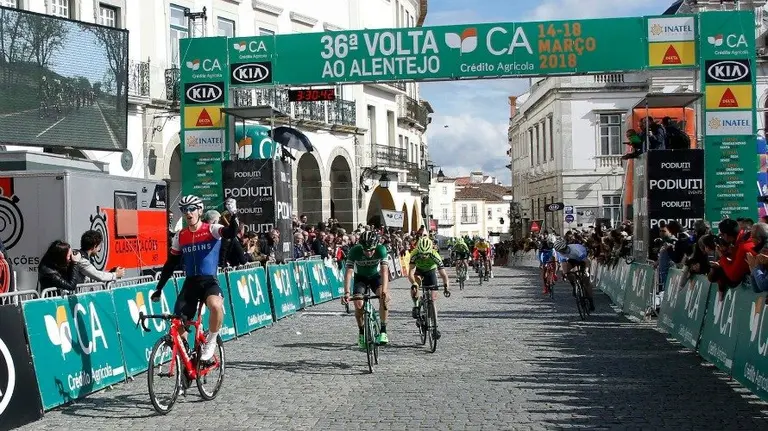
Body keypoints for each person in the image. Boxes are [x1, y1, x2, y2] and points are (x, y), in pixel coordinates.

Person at [150, 195, 239, 363]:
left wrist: (234, 215)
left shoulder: (211, 229)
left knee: (216, 305)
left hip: (209, 282)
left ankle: (211, 341)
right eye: (184, 210)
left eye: (191, 209)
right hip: (190, 284)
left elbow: (231, 233)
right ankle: (186, 369)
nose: (188, 213)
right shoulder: (180, 235)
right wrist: (159, 288)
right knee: (178, 325)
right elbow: (170, 264)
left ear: (200, 210)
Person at [342, 231, 390, 348]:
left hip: (375, 277)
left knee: (384, 299)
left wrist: (384, 290)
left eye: (371, 250)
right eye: (365, 250)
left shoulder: (381, 250)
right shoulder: (354, 251)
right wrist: (347, 292)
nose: (369, 253)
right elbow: (348, 273)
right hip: (360, 279)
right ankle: (362, 332)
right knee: (358, 305)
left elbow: (384, 272)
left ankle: (383, 330)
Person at [407, 236, 450, 339]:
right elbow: (411, 273)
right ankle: (416, 305)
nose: (424, 256)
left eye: (426, 254)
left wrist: (446, 287)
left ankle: (434, 325)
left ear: (430, 250)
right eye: (421, 253)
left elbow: (444, 275)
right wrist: (414, 284)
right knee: (415, 286)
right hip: (418, 271)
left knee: (433, 298)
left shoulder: (435, 255)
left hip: (430, 272)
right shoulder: (414, 254)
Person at [553, 237, 595, 312]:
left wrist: (586, 271)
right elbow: (564, 264)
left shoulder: (576, 250)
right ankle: (575, 285)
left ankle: (591, 301)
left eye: (562, 251)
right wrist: (565, 274)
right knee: (567, 273)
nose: (561, 252)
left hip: (583, 259)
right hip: (573, 259)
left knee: (586, 282)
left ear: (565, 248)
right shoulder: (560, 252)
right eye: (560, 251)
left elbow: (587, 262)